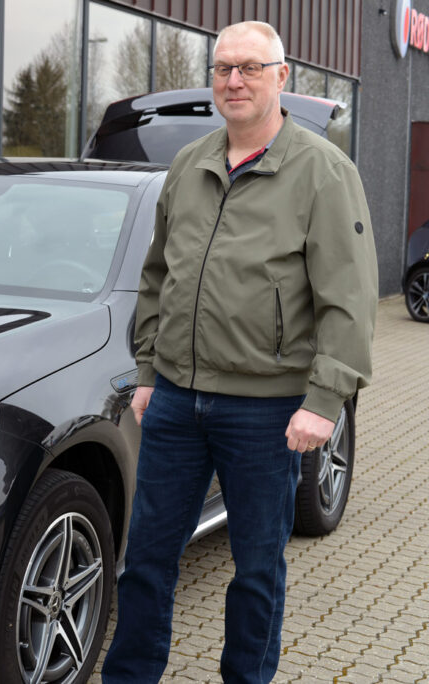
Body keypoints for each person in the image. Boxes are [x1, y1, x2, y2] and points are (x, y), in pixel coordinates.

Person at [101, 20, 378, 684]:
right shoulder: (190, 165)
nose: (234, 81)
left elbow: (351, 295)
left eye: (251, 68)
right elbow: (158, 276)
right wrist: (147, 370)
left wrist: (325, 401)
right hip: (174, 402)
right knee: (145, 561)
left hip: (267, 409)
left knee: (256, 568)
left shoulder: (323, 173)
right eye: (224, 68)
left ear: (283, 78)